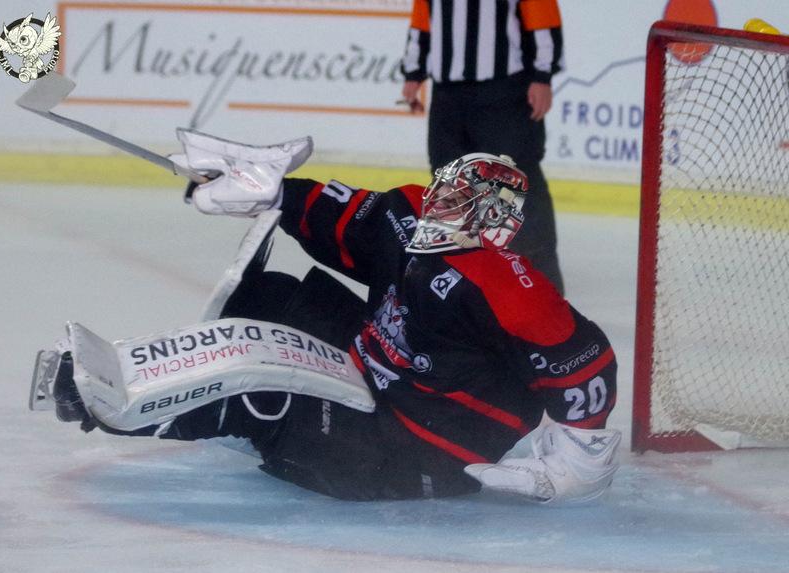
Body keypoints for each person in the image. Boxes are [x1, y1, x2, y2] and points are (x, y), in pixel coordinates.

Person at [35, 129, 620, 504]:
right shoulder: (409, 212)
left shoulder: (511, 291)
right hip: (368, 363)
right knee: (268, 298)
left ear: (493, 224)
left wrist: (582, 455)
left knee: (264, 399)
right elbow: (341, 217)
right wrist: (275, 193)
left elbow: (586, 362)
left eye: (457, 205)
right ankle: (236, 407)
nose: (438, 208)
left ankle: (108, 408)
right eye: (443, 193)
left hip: (415, 445)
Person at [400, 0, 565, 294]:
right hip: (448, 94)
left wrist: (542, 76)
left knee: (515, 186)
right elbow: (424, 16)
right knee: (449, 185)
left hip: (504, 92)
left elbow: (541, 13)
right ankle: (455, 283)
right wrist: (414, 72)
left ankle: (541, 286)